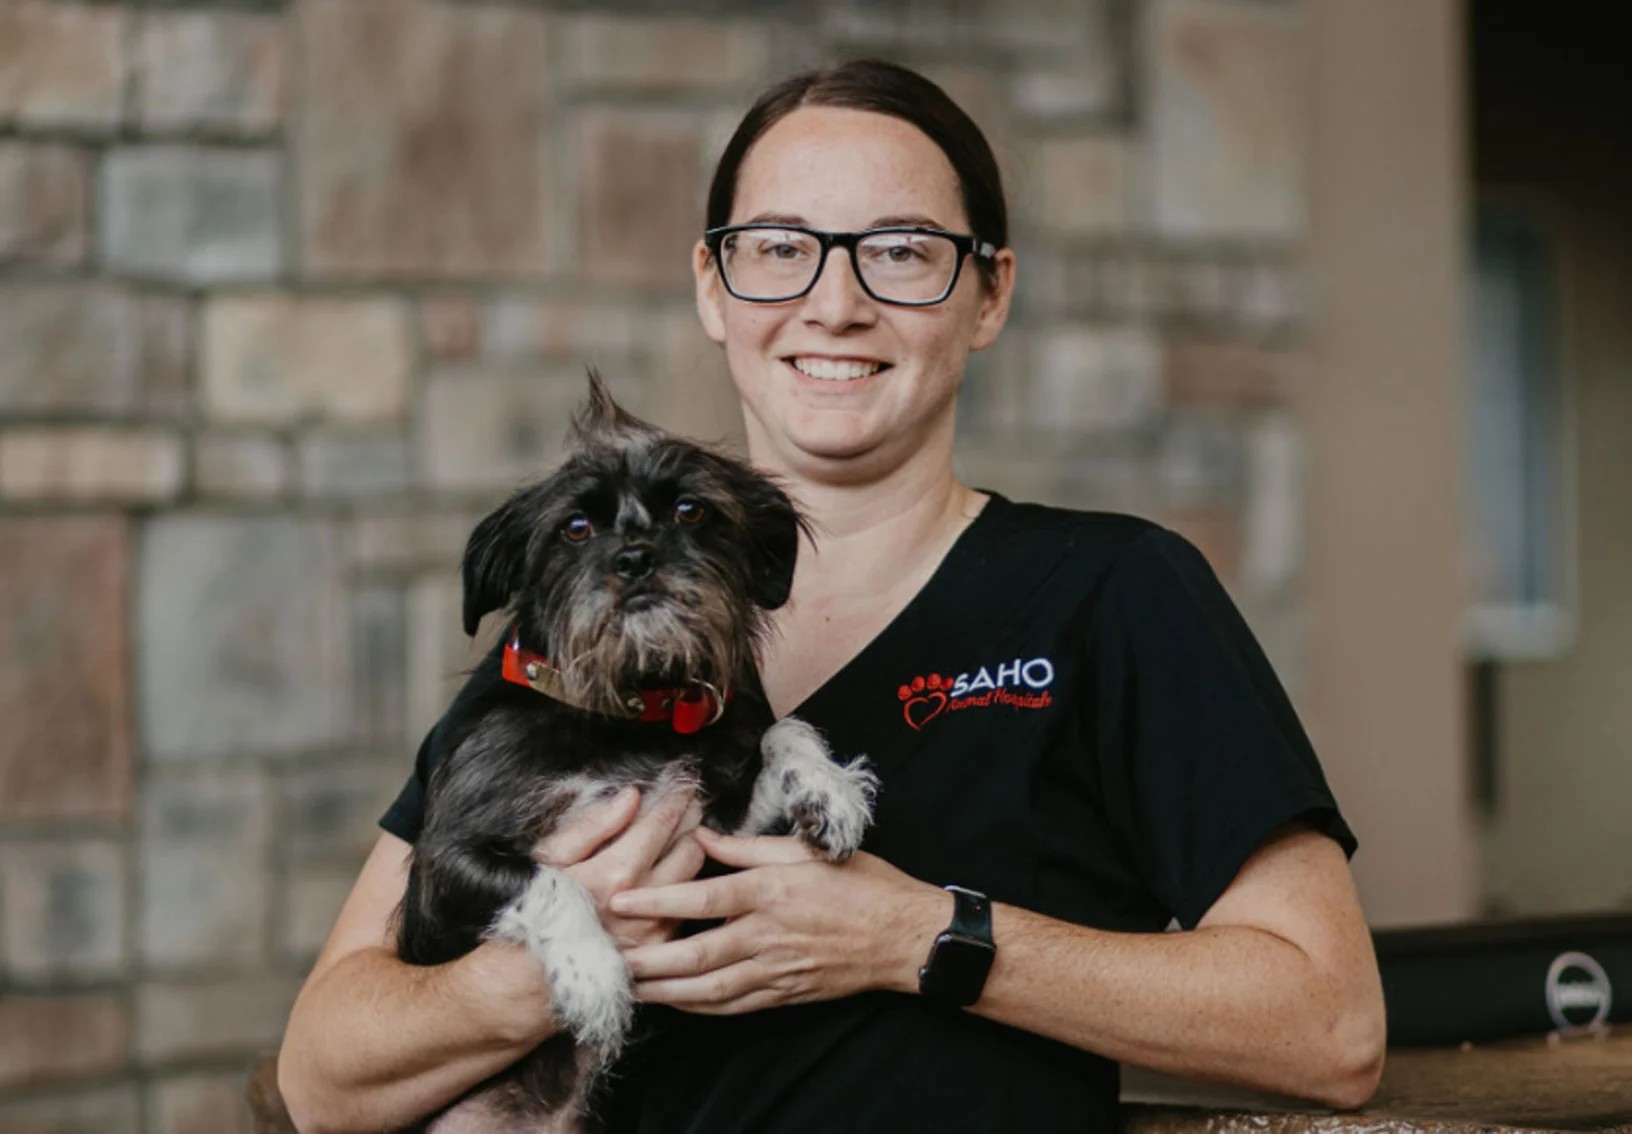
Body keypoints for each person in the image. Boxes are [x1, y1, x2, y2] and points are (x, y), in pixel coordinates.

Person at [278, 58, 1386, 1134]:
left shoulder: (1113, 595)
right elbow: (324, 1080)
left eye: (901, 252)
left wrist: (918, 938)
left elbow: (1328, 1024)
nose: (835, 301)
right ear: (715, 289)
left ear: (990, 293)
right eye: (779, 249)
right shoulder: (572, 645)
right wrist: (544, 970)